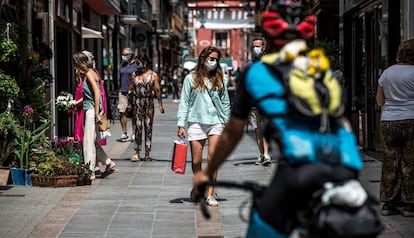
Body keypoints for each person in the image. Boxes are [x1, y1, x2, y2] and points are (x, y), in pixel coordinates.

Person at [194, 1, 365, 236]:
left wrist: (208, 171)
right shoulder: (323, 71)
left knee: (264, 224)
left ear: (268, 39)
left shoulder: (258, 73)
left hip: (298, 171)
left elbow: (233, 132)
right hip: (345, 168)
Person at [177, 45, 231, 206]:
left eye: (216, 59)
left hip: (216, 122)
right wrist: (181, 124)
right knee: (196, 161)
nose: (214, 62)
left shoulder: (219, 78)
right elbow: (184, 102)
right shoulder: (190, 78)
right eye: (211, 59)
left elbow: (225, 102)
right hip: (196, 122)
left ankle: (210, 194)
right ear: (203, 59)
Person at [376, 39, 414, 217]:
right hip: (411, 119)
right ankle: (409, 204)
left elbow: (379, 100)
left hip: (389, 120)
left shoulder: (387, 73)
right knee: (410, 161)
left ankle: (389, 203)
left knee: (390, 160)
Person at [73, 51, 115, 181]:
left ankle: (89, 171)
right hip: (91, 110)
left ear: (80, 63)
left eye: (75, 63)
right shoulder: (90, 73)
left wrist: (97, 112)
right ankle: (107, 162)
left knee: (88, 142)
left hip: (91, 112)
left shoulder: (89, 74)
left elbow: (97, 94)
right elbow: (89, 95)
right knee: (93, 141)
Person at [129, 55, 165, 162]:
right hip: (137, 102)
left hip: (148, 102)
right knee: (138, 127)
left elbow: (157, 90)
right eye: (137, 63)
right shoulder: (134, 75)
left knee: (148, 127)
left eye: (139, 62)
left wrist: (160, 104)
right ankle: (137, 152)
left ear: (145, 63)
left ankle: (147, 153)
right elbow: (131, 89)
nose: (137, 65)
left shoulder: (153, 75)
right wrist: (129, 103)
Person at [246, 37, 271, 166]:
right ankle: (261, 154)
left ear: (263, 47)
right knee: (257, 131)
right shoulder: (249, 65)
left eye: (258, 46)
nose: (256, 48)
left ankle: (266, 154)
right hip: (253, 105)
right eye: (254, 46)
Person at [117, 47, 136, 142]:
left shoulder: (135, 65)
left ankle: (134, 133)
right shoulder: (122, 65)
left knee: (133, 113)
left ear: (130, 55)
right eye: (122, 55)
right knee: (122, 111)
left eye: (125, 55)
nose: (123, 56)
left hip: (133, 92)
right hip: (123, 92)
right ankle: (124, 133)